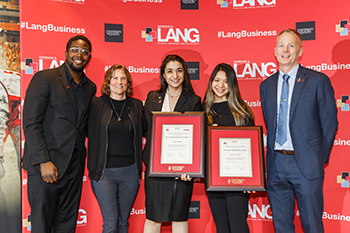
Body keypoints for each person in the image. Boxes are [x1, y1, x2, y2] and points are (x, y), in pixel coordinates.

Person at [260, 29, 338, 233]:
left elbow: (329, 125)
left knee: (312, 225)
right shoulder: (266, 85)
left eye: (291, 45)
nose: (285, 50)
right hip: (276, 164)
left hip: (306, 164)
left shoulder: (317, 81)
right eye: (281, 45)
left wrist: (317, 157)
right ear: (275, 51)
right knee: (281, 226)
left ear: (300, 50)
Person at [22, 35, 97, 233]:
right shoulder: (45, 78)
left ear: (89, 56)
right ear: (66, 53)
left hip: (74, 168)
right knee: (42, 225)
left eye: (84, 51)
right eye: (74, 49)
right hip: (46, 167)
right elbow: (31, 123)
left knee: (67, 225)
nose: (79, 54)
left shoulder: (90, 87)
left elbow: (83, 127)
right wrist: (43, 161)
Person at [143, 54, 202, 233]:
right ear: (163, 74)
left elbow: (197, 138)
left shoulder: (194, 101)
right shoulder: (153, 98)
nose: (174, 75)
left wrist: (190, 169)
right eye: (169, 71)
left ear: (184, 73)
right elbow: (147, 130)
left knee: (179, 217)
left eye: (179, 70)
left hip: (182, 171)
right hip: (156, 168)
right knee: (153, 218)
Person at [87, 64, 147, 233]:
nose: (119, 82)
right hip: (104, 172)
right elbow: (83, 129)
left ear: (128, 83)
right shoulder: (96, 104)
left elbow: (149, 130)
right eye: (115, 78)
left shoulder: (136, 106)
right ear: (108, 82)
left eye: (123, 78)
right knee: (111, 223)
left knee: (123, 223)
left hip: (130, 172)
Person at [203, 63, 254, 233]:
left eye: (226, 82)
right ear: (211, 82)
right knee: (222, 226)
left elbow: (252, 147)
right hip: (213, 178)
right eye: (217, 80)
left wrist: (251, 178)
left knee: (238, 225)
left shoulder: (242, 111)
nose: (220, 86)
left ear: (232, 84)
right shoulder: (202, 111)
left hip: (237, 179)